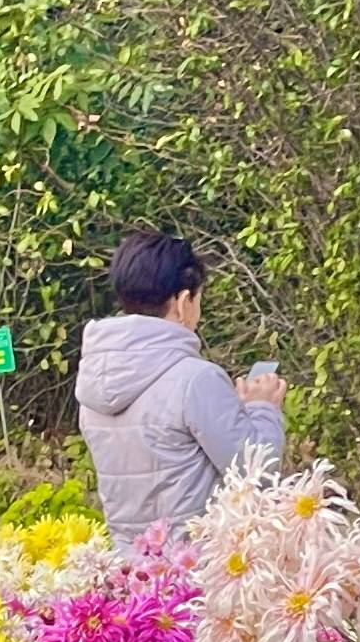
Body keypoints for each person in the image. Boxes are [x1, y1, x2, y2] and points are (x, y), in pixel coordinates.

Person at [77, 229, 287, 537]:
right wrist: (263, 409)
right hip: (194, 570)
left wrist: (234, 414)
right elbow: (258, 475)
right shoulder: (197, 380)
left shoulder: (94, 378)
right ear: (183, 301)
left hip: (134, 572)